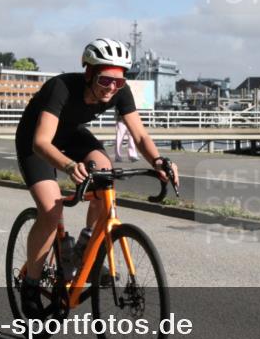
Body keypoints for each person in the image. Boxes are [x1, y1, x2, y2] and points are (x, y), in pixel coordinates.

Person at [14, 37, 180, 318]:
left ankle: (85, 249)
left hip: (71, 135)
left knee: (104, 173)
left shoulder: (119, 92)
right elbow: (41, 142)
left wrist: (158, 160)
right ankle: (31, 284)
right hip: (36, 142)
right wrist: (68, 166)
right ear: (89, 73)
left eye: (119, 81)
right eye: (105, 80)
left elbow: (139, 135)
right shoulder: (61, 87)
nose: (112, 87)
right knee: (52, 210)